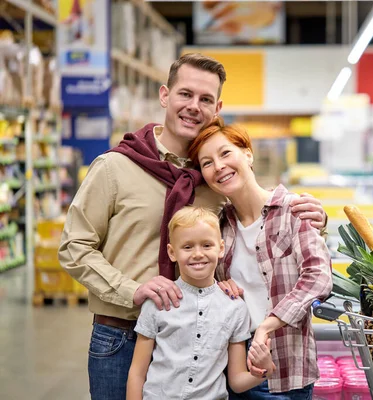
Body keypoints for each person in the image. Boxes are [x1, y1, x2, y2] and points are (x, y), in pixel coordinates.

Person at [58, 53, 327, 400]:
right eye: (185, 94)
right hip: (122, 336)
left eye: (205, 99)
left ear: (217, 109)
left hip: (198, 337)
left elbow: (250, 226)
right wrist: (131, 290)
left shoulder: (213, 183)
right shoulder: (115, 167)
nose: (193, 106)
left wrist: (313, 219)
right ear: (165, 96)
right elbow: (74, 246)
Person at [188, 118, 333, 399]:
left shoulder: (293, 209)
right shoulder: (218, 224)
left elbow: (318, 277)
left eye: (225, 153)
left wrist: (268, 324)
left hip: (284, 370)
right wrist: (217, 287)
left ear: (248, 154)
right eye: (207, 163)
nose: (218, 166)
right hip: (232, 370)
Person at [126, 206, 275, 400]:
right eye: (187, 247)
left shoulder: (235, 308)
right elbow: (137, 373)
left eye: (206, 245)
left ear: (220, 248)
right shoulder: (158, 303)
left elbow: (237, 381)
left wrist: (263, 371)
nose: (197, 254)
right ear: (172, 252)